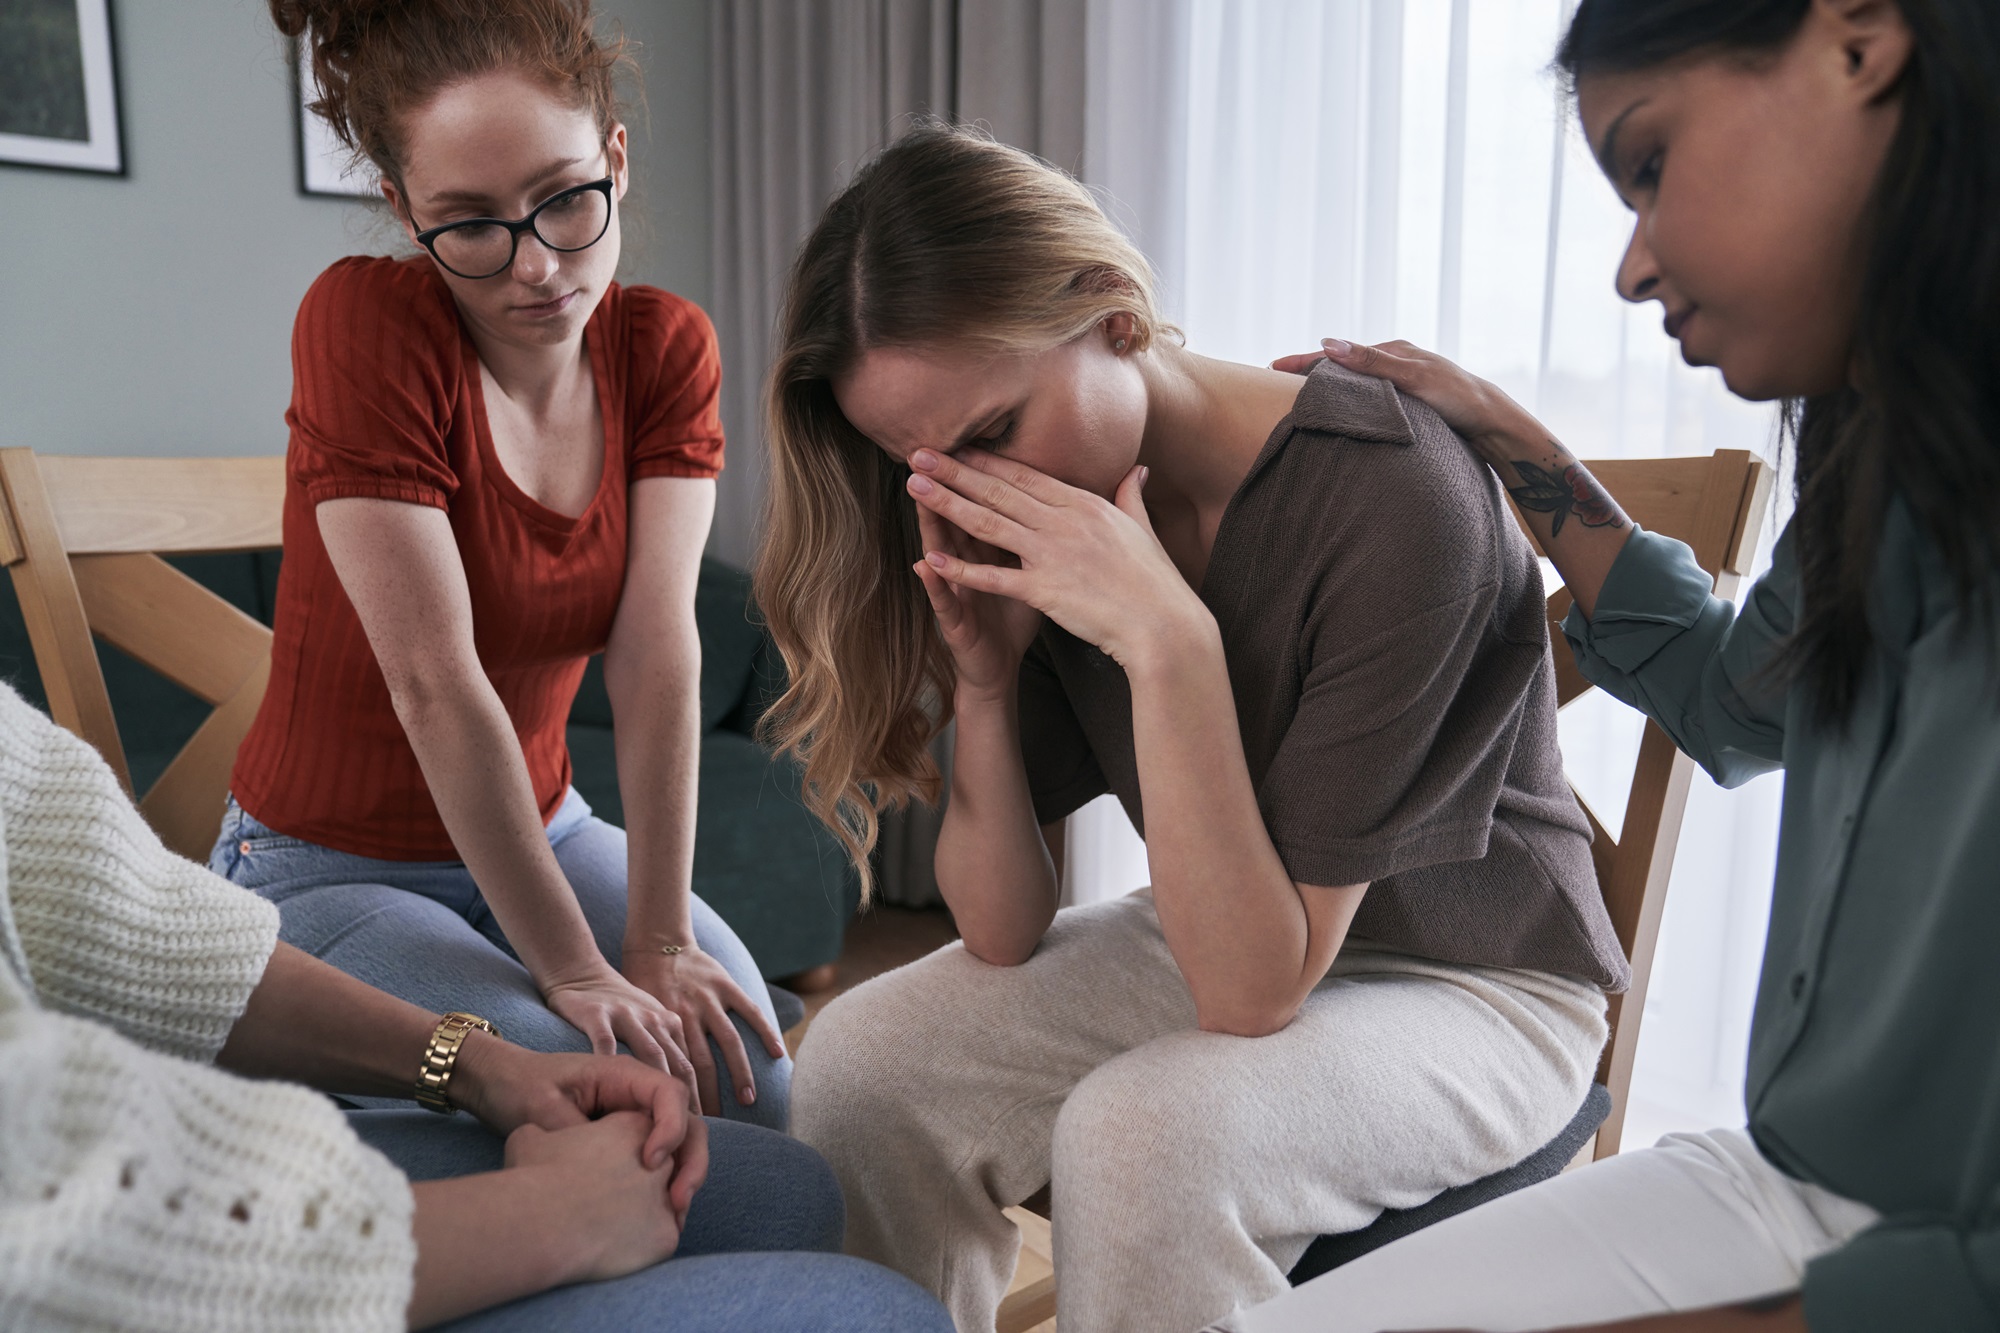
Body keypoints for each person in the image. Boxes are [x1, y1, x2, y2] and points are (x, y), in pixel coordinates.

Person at [755, 123, 1629, 1333]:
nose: (973, 494)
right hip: (1236, 930)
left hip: (1478, 983)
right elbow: (1001, 931)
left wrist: (1166, 642)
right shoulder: (1061, 509)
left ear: (1115, 313)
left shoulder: (1392, 493)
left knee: (1143, 1139)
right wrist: (990, 692)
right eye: (923, 463)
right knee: (855, 1066)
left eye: (991, 432)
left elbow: (1250, 992)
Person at [1221, 1, 1999, 1330]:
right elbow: (1733, 701)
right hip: (1790, 1180)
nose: (1632, 269)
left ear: (1859, 42)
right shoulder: (1889, 463)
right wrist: (1505, 431)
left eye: (1651, 164)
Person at [219, 0, 788, 1128]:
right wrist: (579, 974)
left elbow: (657, 652)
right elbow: (435, 681)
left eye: (565, 198)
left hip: (544, 823)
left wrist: (659, 941)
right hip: (322, 864)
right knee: (594, 1099)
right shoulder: (365, 326)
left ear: (614, 161)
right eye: (470, 224)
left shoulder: (665, 349)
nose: (536, 266)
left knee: (749, 1084)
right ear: (401, 209)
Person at [0, 683, 953, 1331]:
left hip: (137, 1134)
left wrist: (481, 1065)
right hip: (146, 1250)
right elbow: (53, 1242)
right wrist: (543, 1216)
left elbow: (140, 925)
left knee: (782, 1177)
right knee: (880, 1315)